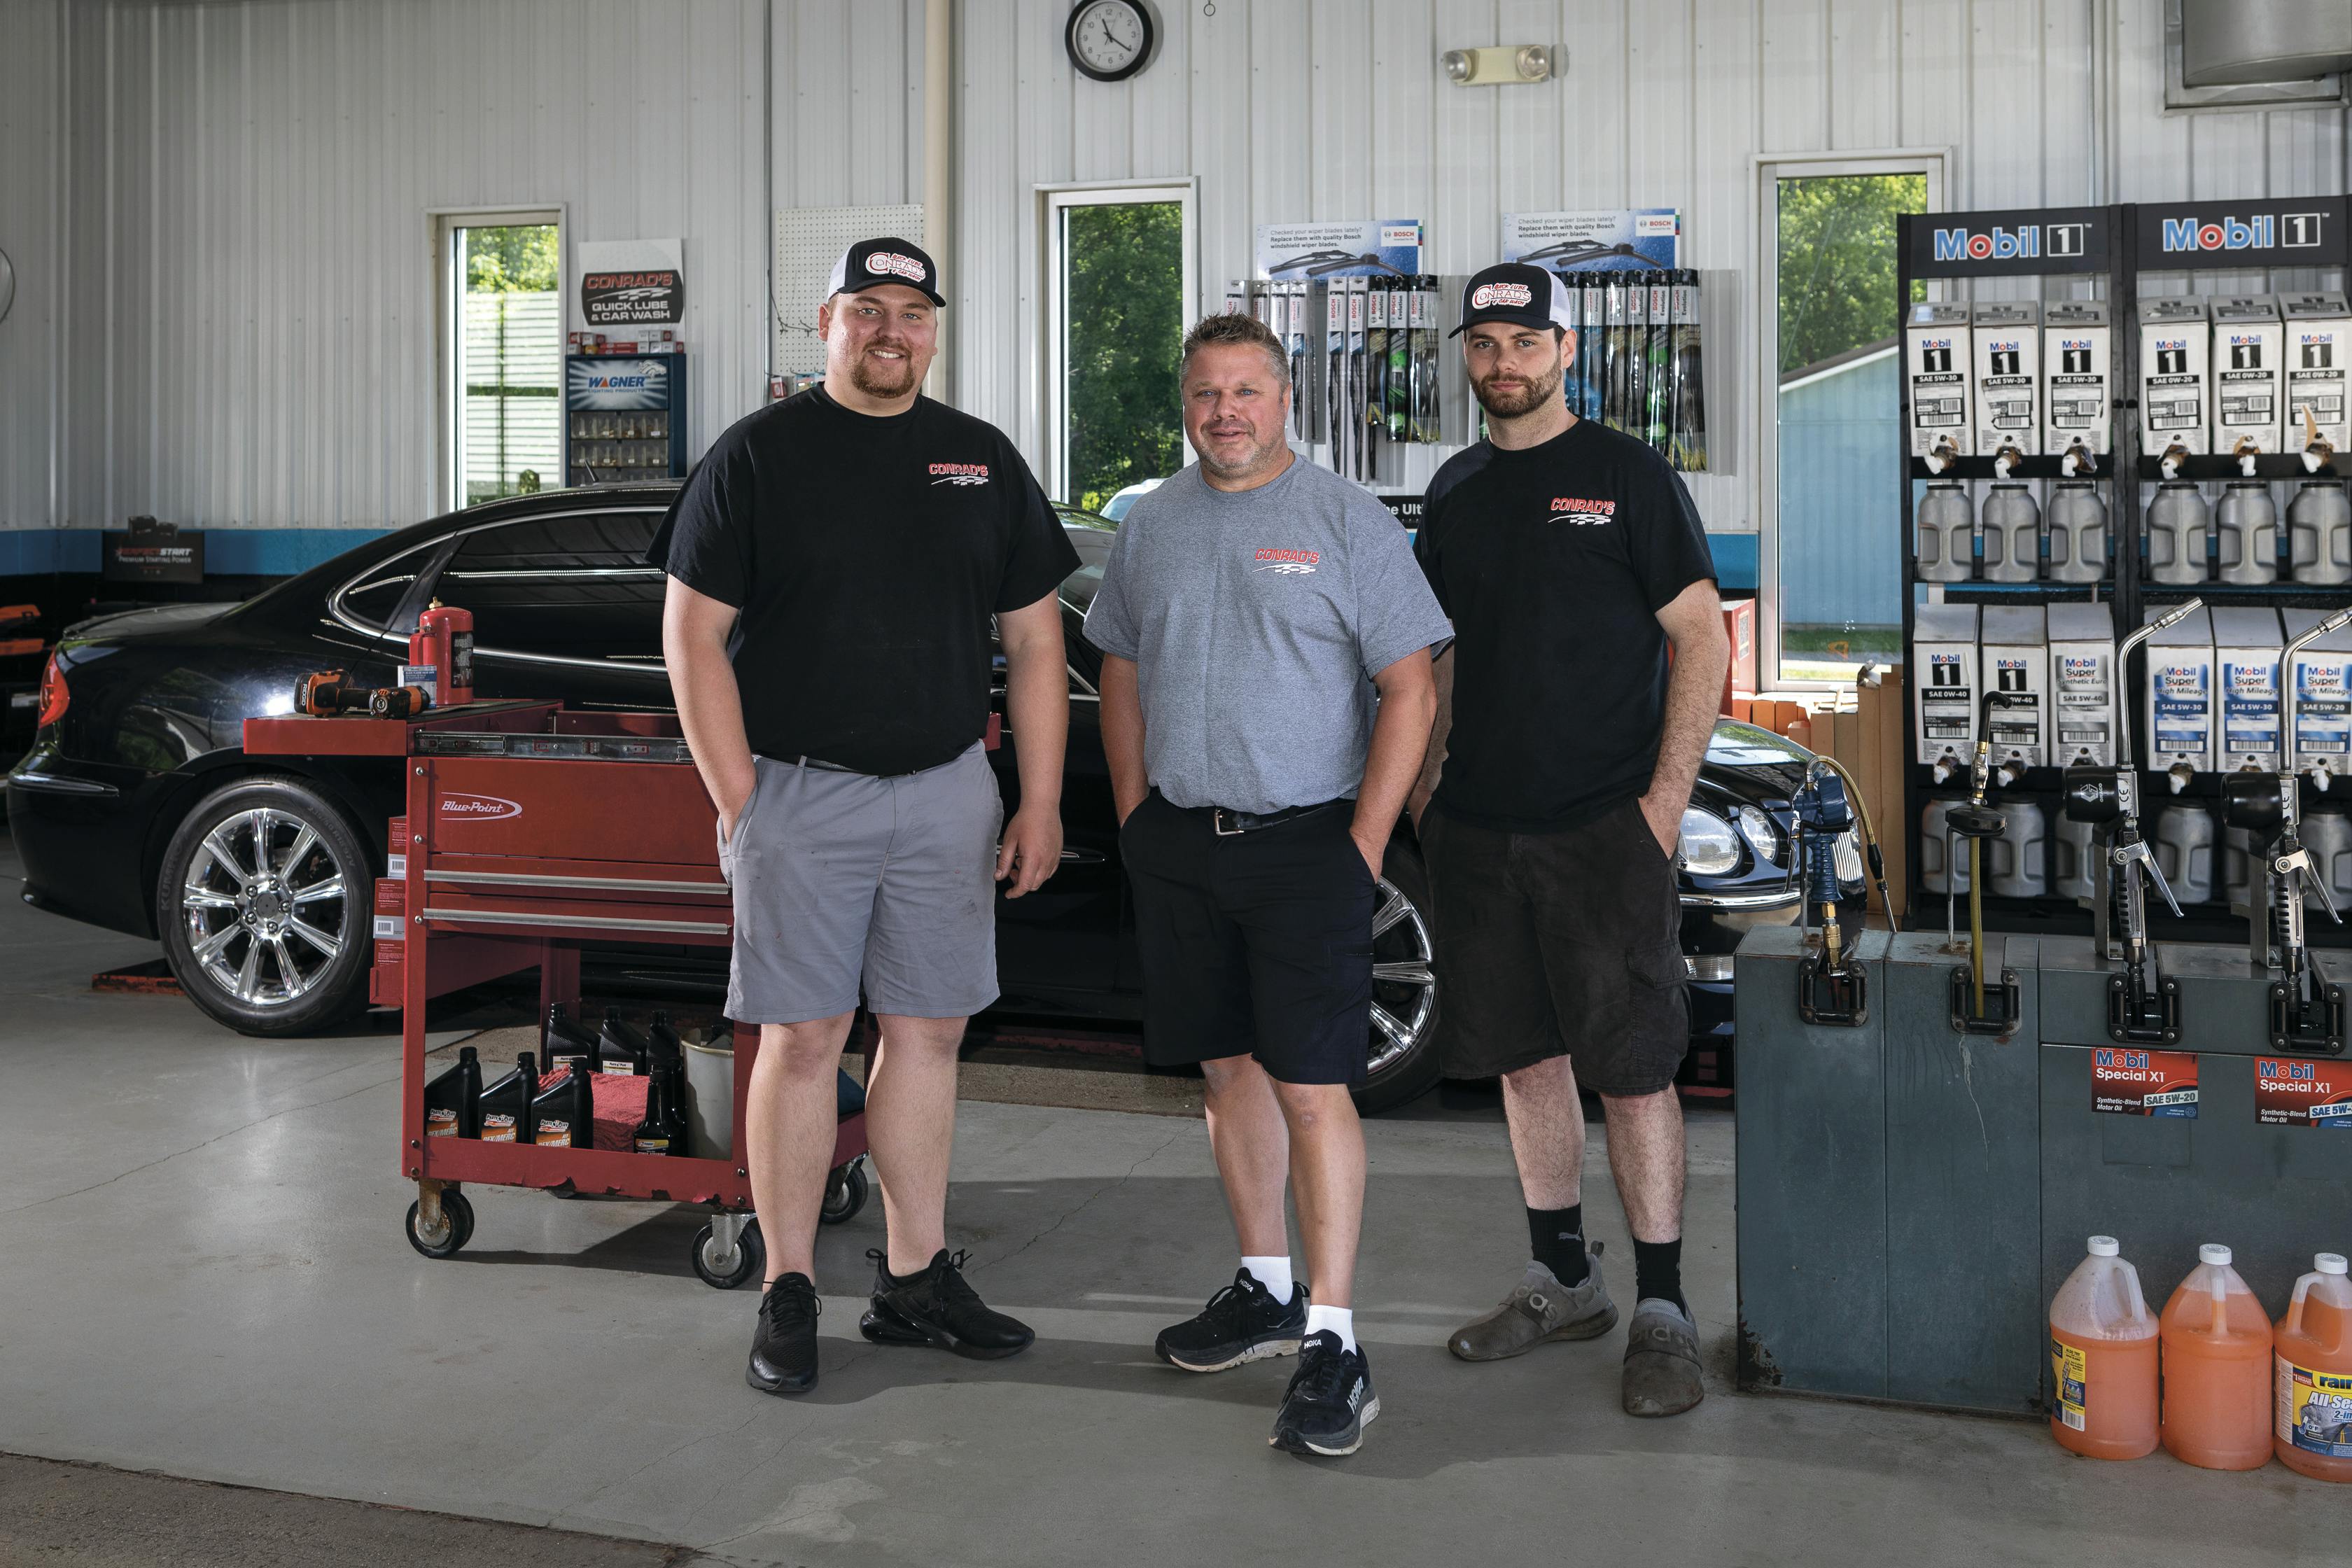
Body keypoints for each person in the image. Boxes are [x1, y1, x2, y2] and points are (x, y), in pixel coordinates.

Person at [652, 238, 1080, 1398]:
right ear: (827, 324)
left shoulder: (979, 460)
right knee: (802, 1040)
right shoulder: (757, 457)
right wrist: (743, 797)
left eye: (913, 313)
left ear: (935, 329)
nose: (891, 331)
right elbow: (691, 639)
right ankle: (789, 1285)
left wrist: (1036, 798)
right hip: (801, 790)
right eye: (868, 310)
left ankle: (913, 1278)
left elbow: (1037, 641)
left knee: (929, 1034)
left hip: (947, 790)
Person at [1086, 310, 1451, 1458]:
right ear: (1185, 405)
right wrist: (1138, 813)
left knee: (1312, 1085)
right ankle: (1263, 1285)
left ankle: (1336, 1340)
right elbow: (1119, 665)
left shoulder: (1346, 522)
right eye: (1205, 393)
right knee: (1227, 1070)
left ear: (1285, 401)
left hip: (1309, 846)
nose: (1224, 412)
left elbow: (1411, 688)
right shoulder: (1153, 527)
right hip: (1184, 845)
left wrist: (1364, 842)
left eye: (1246, 391)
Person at [1408, 262, 1728, 1419]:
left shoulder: (1629, 477)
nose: (1504, 361)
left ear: (1566, 350)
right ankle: (1563, 1276)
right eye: (1484, 342)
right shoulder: (1452, 490)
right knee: (1524, 1058)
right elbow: (1437, 655)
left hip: (1605, 826)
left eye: (1524, 340)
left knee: (1634, 1069)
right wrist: (1427, 789)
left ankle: (1663, 1306)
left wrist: (1661, 806)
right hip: (1481, 832)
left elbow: (1703, 639)